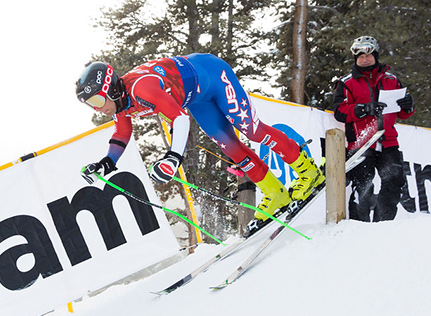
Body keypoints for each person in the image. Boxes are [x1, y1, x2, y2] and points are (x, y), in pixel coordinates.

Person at [75, 54, 325, 224]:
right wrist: (105, 164)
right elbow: (121, 134)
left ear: (110, 88)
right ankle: (275, 193)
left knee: (251, 130)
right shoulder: (120, 104)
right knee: (229, 145)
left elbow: (179, 118)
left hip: (213, 75)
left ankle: (308, 172)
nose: (98, 109)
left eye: (97, 101)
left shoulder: (142, 88)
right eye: (90, 106)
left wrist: (172, 159)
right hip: (197, 98)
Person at [332, 35, 415, 222]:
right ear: (355, 59)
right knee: (363, 186)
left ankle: (383, 224)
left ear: (375, 55)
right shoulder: (347, 82)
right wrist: (362, 109)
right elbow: (339, 111)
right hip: (361, 142)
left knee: (394, 181)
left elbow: (402, 113)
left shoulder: (391, 79)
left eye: (368, 55)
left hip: (388, 141)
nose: (364, 59)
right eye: (360, 56)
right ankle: (358, 228)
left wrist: (408, 106)